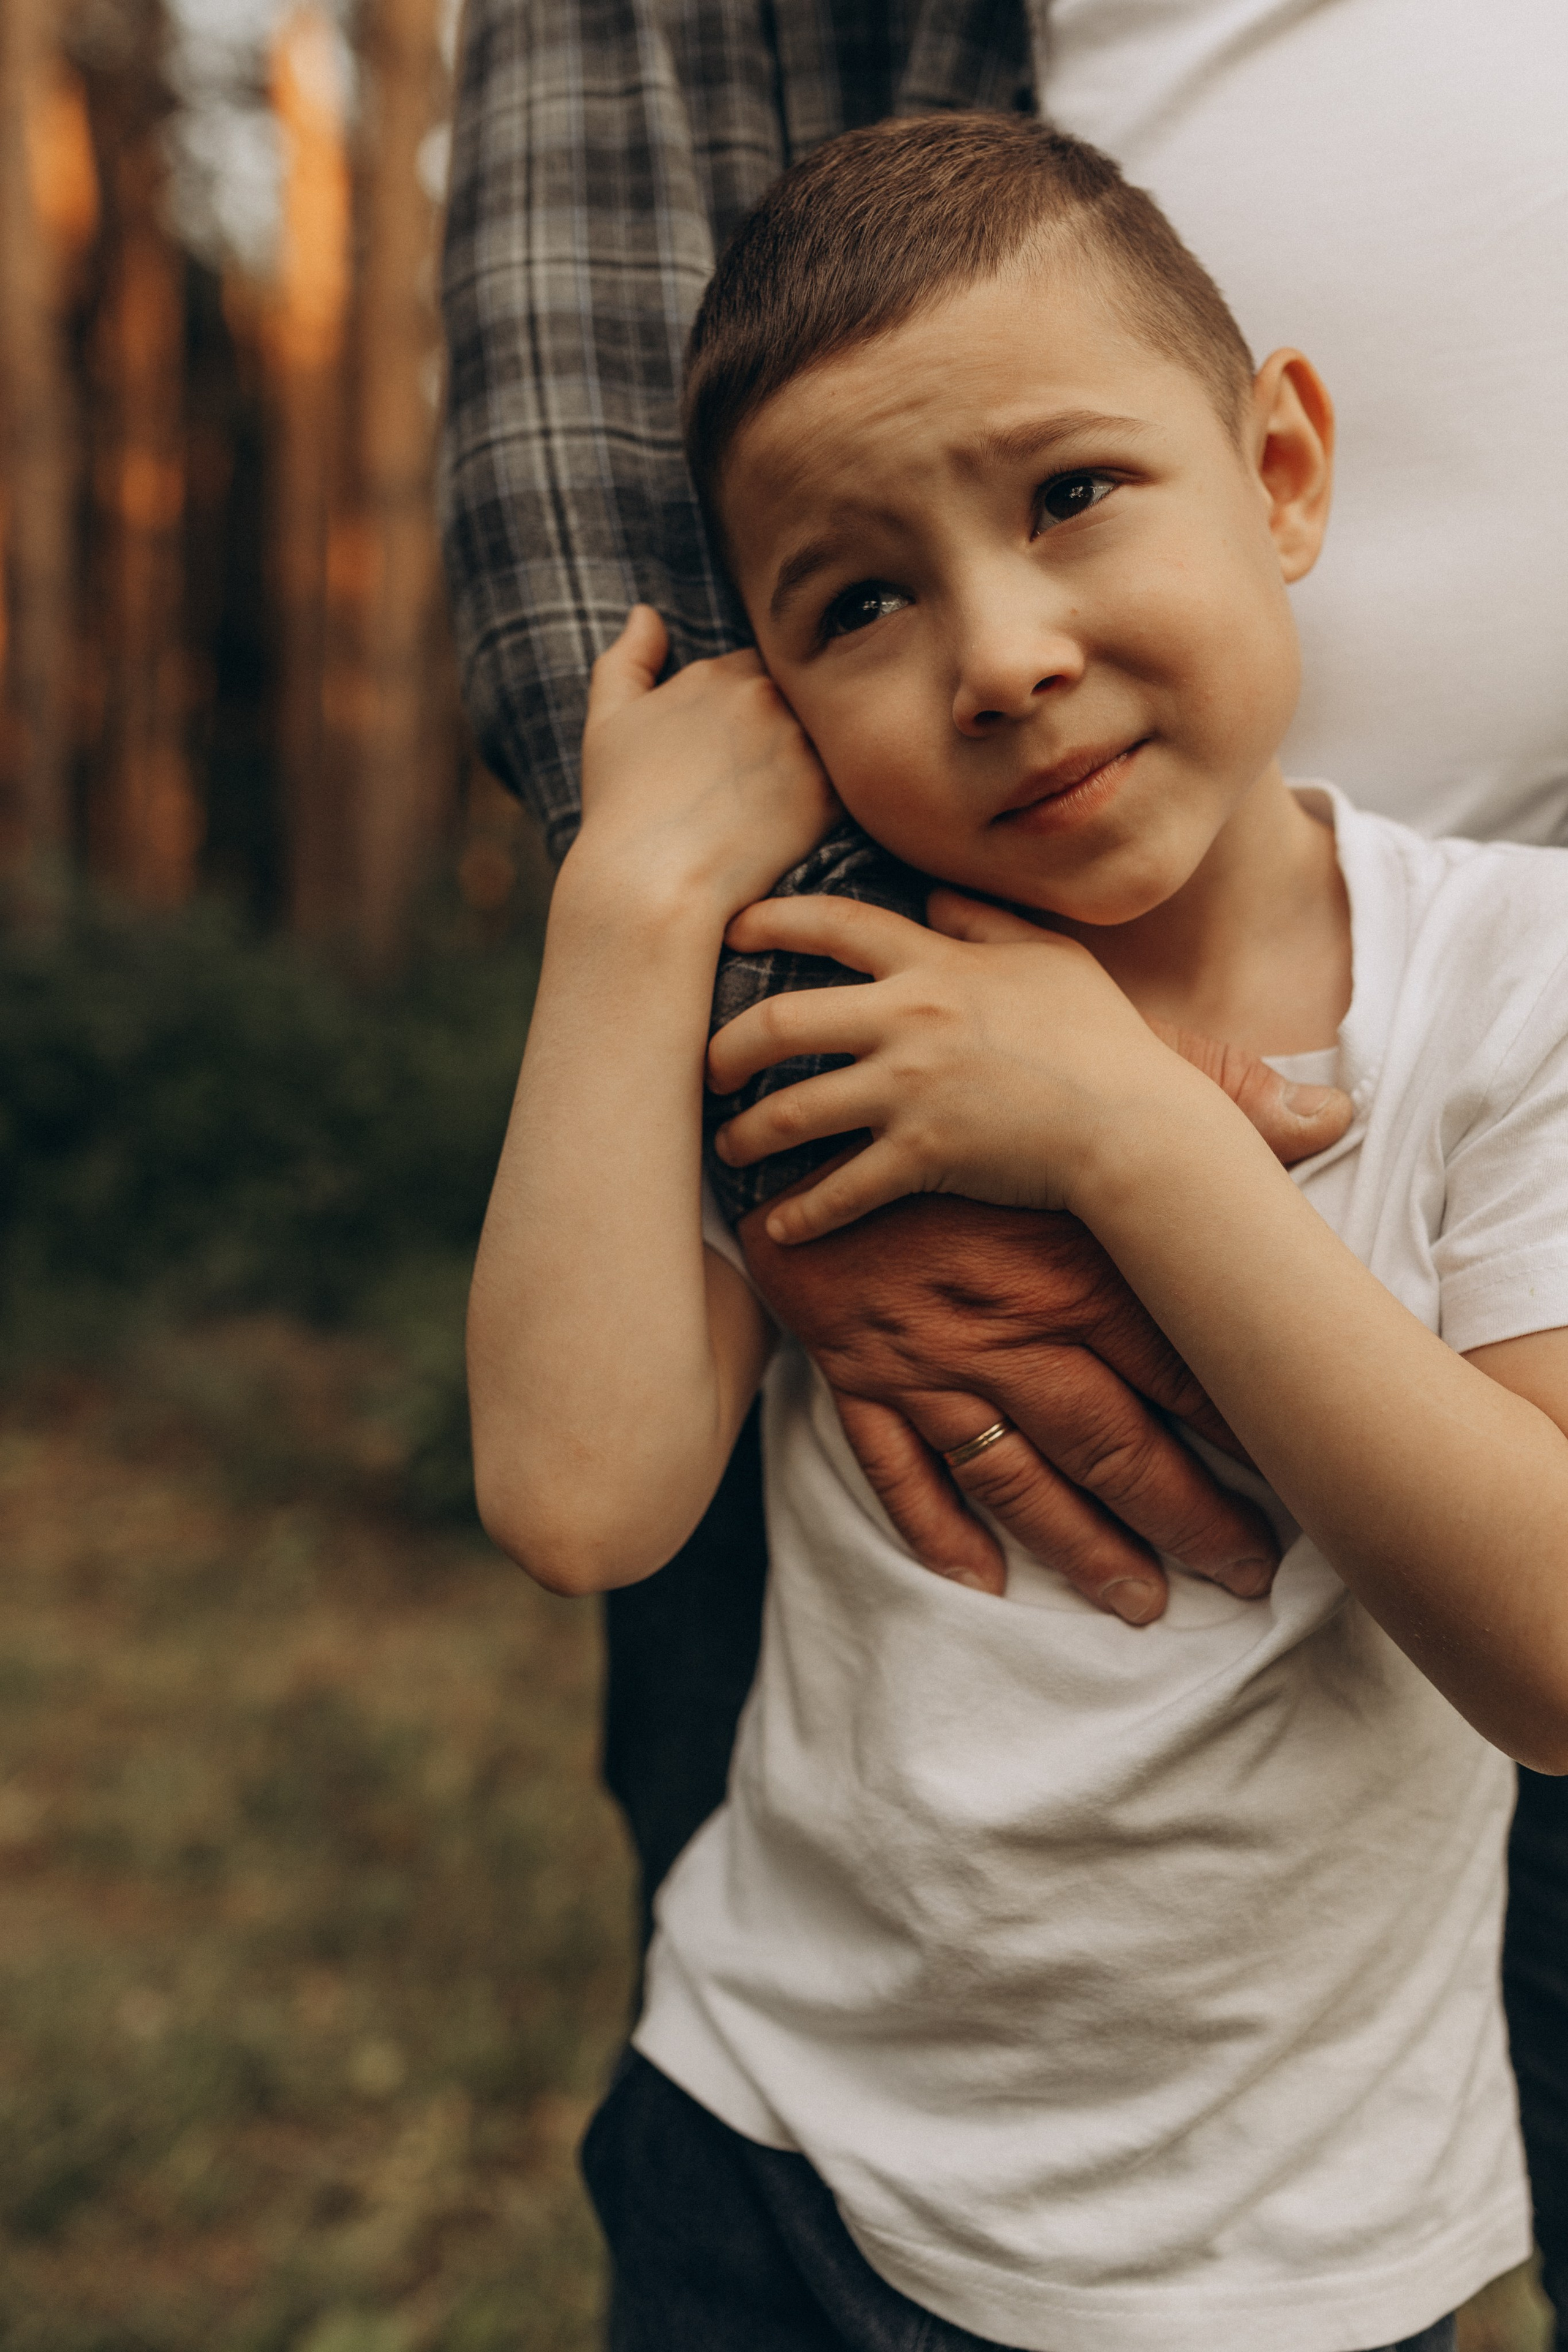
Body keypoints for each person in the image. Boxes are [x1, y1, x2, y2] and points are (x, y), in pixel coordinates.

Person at [439, 0, 1568, 2321]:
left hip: (1295, 2270)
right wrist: (638, 895)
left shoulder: (1510, 982)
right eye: (860, 602)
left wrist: (1132, 1138)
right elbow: (579, 1498)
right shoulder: (835, 1000)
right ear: (774, 690)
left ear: (1281, 472)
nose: (1004, 654)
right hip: (774, 2165)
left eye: (1069, 496)